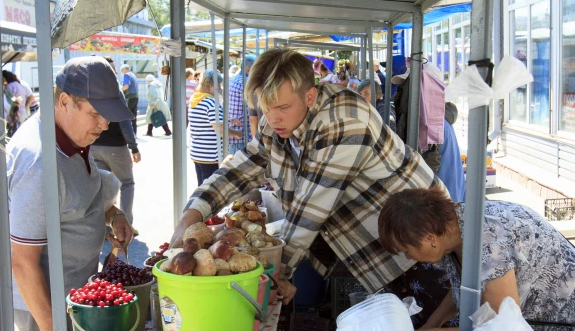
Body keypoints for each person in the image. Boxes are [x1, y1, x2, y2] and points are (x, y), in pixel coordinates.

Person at [170, 49, 440, 304]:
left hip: (418, 242)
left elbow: (309, 211)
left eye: (283, 107)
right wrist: (191, 215)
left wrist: (274, 272)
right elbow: (239, 170)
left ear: (309, 97)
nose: (273, 119)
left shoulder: (345, 120)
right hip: (361, 237)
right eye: (266, 108)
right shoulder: (276, 120)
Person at [7, 56, 135, 331]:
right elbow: (22, 261)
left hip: (75, 295)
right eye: (95, 114)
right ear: (64, 102)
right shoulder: (39, 164)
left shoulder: (73, 132)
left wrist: (113, 213)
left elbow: (79, 194)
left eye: (106, 116)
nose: (104, 124)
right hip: (46, 307)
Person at [378, 187, 575, 331]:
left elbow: (502, 326)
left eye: (406, 250)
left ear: (429, 238)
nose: (408, 258)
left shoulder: (489, 240)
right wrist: (432, 324)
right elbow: (465, 286)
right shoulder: (454, 227)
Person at [91, 57, 142, 231]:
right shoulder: (113, 90)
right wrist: (133, 146)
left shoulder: (87, 90)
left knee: (101, 186)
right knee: (126, 183)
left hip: (92, 146)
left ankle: (105, 224)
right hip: (115, 146)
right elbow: (124, 121)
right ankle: (125, 224)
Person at [188, 70, 223, 185]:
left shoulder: (195, 99)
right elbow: (220, 130)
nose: (220, 89)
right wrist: (237, 133)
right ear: (212, 85)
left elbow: (205, 121)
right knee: (210, 191)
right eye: (219, 85)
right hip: (210, 155)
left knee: (202, 187)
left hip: (198, 153)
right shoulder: (211, 103)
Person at [228, 55, 257, 153]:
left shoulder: (232, 80)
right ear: (249, 69)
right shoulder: (247, 83)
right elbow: (253, 112)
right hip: (244, 133)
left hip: (233, 133)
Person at [120, 64, 139, 133]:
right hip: (136, 97)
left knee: (127, 116)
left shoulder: (127, 75)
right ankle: (134, 132)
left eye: (122, 71)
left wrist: (119, 89)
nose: (122, 72)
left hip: (130, 97)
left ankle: (128, 133)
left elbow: (126, 86)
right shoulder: (133, 75)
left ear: (124, 69)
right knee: (134, 116)